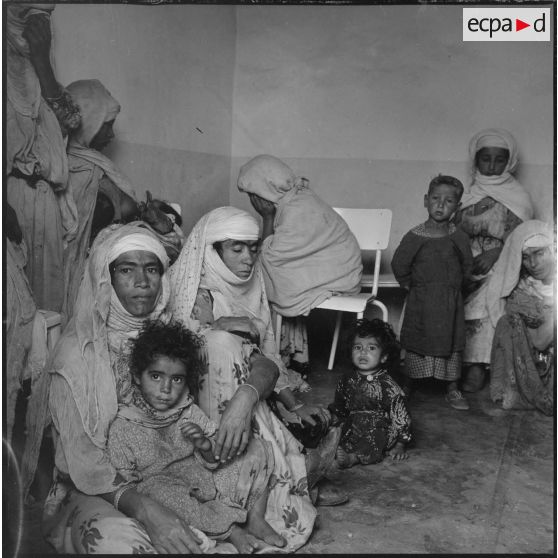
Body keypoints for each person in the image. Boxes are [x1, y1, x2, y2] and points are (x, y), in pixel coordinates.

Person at [22, 223, 235, 553]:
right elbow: (84, 464)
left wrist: (245, 399)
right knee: (118, 541)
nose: (142, 283)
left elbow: (257, 359)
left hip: (173, 470)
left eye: (151, 269)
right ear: (106, 278)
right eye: (126, 270)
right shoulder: (77, 357)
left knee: (242, 472)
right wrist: (146, 509)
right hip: (97, 487)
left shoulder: (169, 335)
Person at [169, 206, 343, 550]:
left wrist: (292, 403)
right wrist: (224, 328)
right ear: (213, 251)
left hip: (245, 390)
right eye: (237, 248)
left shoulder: (250, 283)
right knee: (220, 349)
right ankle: (296, 480)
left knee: (281, 420)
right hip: (201, 403)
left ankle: (298, 475)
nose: (248, 258)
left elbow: (265, 353)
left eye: (253, 248)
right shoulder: (193, 290)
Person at [107, 319, 284, 553]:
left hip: (205, 477)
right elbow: (126, 483)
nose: (166, 389)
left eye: (176, 379)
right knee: (156, 493)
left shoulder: (187, 409)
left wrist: (203, 444)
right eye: (156, 377)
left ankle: (255, 517)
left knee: (255, 448)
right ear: (138, 376)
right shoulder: (124, 425)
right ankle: (231, 531)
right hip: (170, 491)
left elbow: (214, 457)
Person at [237, 154, 362, 378]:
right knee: (273, 280)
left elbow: (271, 256)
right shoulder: (295, 199)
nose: (252, 201)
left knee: (262, 280)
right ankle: (293, 354)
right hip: (332, 267)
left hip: (340, 272)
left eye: (251, 195)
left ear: (262, 192)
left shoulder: (297, 207)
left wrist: (266, 217)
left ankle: (280, 355)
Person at [6, 5, 80, 311]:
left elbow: (71, 122)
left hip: (46, 199)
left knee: (48, 304)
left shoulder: (38, 70)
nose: (40, 23)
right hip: (10, 197)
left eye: (45, 16)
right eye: (32, 14)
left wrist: (41, 61)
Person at [454, 129, 535, 392]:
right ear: (475, 160)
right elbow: (452, 229)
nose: (491, 166)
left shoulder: (517, 196)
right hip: (465, 255)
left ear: (509, 162)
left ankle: (477, 365)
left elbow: (520, 235)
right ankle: (443, 363)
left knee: (489, 285)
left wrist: (494, 253)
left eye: (499, 160)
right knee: (438, 281)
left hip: (502, 257)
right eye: (485, 159)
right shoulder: (466, 193)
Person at [391, 175, 473, 410]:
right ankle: (408, 384)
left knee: (452, 342)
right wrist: (410, 286)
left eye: (448, 201)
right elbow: (399, 264)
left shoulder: (459, 237)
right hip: (422, 301)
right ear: (426, 201)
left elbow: (468, 266)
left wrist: (456, 289)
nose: (440, 205)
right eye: (436, 198)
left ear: (457, 207)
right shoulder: (415, 236)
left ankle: (452, 389)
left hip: (450, 304)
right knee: (418, 339)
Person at [62, 79, 139, 322]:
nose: (111, 134)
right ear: (89, 123)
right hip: (82, 282)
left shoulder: (97, 165)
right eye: (107, 125)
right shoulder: (72, 171)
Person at [487, 221, 554, 415]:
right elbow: (540, 342)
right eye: (525, 257)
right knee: (507, 323)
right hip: (537, 363)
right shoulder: (522, 291)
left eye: (539, 253)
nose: (533, 264)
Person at [329, 319, 411, 468]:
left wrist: (400, 445)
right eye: (358, 347)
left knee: (374, 437)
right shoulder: (347, 379)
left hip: (381, 427)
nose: (363, 352)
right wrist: (334, 419)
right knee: (336, 431)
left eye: (371, 348)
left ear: (384, 356)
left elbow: (403, 419)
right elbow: (339, 405)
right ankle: (333, 449)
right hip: (354, 423)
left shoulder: (388, 386)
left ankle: (353, 458)